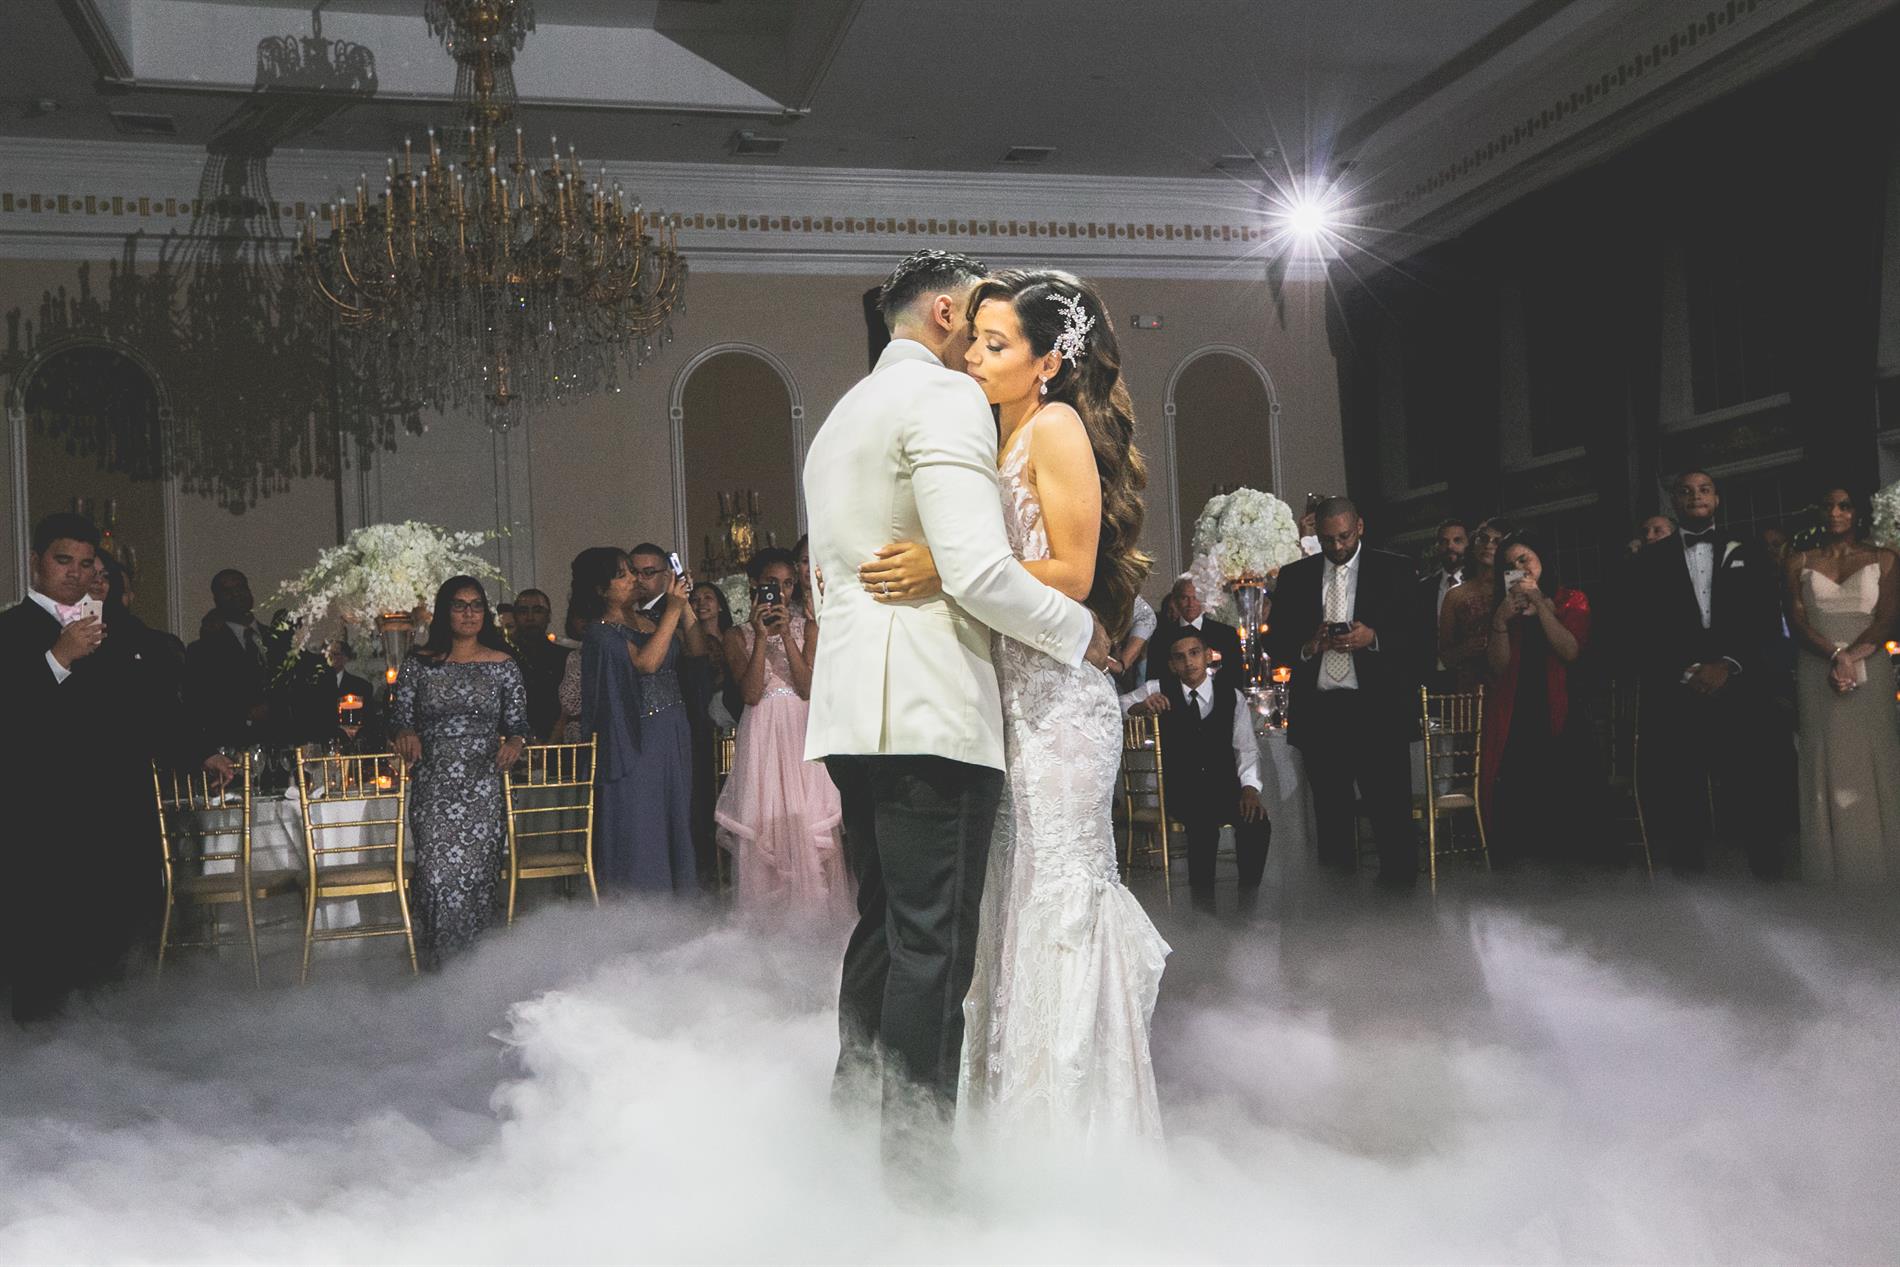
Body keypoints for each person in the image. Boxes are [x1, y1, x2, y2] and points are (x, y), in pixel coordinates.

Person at [803, 250, 1114, 1169]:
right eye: (973, 322)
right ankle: (915, 1175)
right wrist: (1080, 629)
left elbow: (831, 583)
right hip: (930, 709)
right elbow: (978, 570)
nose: (976, 346)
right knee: (933, 949)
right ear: (944, 313)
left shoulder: (841, 414)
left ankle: (849, 1140)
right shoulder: (941, 400)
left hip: (854, 713)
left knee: (882, 932)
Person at [861, 268, 1166, 1140]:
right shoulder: (997, 435)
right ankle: (1008, 1127)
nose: (975, 357)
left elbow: (1073, 572)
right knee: (1010, 907)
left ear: (1049, 362)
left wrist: (947, 569)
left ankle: (1074, 1130)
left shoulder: (1056, 427)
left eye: (996, 346)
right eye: (976, 341)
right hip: (1006, 703)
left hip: (1060, 709)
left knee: (1055, 902)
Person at [2, 513, 232, 1022]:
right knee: (48, 960)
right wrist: (58, 658)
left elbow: (150, 707)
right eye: (64, 560)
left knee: (118, 953)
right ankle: (45, 1060)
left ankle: (114, 1056)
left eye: (87, 564)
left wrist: (200, 752)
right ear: (36, 562)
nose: (77, 573)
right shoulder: (11, 629)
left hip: (120, 817)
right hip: (47, 827)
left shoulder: (114, 630)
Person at [1627, 469, 1787, 875]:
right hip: (1680, 688)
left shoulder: (1746, 549)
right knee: (1683, 785)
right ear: (1675, 502)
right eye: (1685, 491)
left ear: (1716, 499)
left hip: (1740, 685)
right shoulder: (1651, 559)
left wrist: (1728, 664)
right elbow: (1642, 627)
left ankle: (1768, 874)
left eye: (1703, 490)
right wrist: (1686, 670)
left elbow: (1765, 617)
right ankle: (1689, 881)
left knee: (1753, 781)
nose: (1695, 496)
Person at [1263, 496, 1420, 887]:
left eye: (1344, 537)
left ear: (1360, 527)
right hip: (1321, 712)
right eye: (1328, 539)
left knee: (1390, 811)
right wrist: (1308, 646)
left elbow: (1419, 636)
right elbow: (1274, 643)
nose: (1337, 546)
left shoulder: (1394, 569)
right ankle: (1337, 903)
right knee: (1331, 816)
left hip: (1378, 710)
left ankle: (1401, 899)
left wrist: (1374, 637)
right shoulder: (1296, 576)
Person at [390, 577, 527, 969]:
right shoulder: (419, 663)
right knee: (434, 875)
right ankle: (437, 969)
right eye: (459, 605)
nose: (469, 613)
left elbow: (519, 724)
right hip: (434, 784)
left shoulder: (503, 665)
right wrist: (406, 732)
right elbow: (399, 717)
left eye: (476, 605)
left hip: (483, 784)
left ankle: (477, 971)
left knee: (478, 877)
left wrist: (515, 743)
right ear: (444, 612)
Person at [714, 548, 849, 921]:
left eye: (789, 584)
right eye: (773, 584)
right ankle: (768, 920)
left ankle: (814, 917)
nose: (782, 592)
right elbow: (750, 694)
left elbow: (806, 688)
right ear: (755, 585)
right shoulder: (735, 635)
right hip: (762, 733)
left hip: (800, 729)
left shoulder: (808, 628)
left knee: (806, 817)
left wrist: (787, 636)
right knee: (765, 820)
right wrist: (761, 637)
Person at [1783, 487, 1900, 882]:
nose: (1835, 512)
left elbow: (1887, 618)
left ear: (1858, 512)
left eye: (1844, 505)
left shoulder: (1884, 558)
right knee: (1823, 757)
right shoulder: (1798, 560)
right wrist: (1835, 655)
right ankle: (1828, 870)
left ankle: (1882, 866)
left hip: (1870, 664)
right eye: (1828, 505)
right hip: (1817, 666)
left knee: (1875, 755)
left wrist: (1851, 656)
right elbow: (1797, 621)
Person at [572, 546, 704, 893]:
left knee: (675, 817)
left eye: (633, 571)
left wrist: (684, 606)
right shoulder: (601, 632)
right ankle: (642, 906)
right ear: (601, 590)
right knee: (643, 820)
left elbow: (697, 650)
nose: (634, 579)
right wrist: (672, 609)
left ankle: (679, 904)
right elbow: (646, 663)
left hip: (672, 730)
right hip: (635, 738)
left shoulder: (650, 619)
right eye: (622, 575)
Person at [1124, 627, 1270, 914]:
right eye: (1180, 657)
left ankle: (1247, 903)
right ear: (1171, 664)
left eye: (1194, 653)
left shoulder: (1232, 696)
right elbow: (1116, 705)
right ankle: (1203, 912)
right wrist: (1140, 706)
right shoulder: (1157, 687)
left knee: (1257, 822)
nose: (1188, 662)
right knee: (1202, 822)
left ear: (1208, 656)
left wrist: (1250, 787)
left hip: (1225, 789)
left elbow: (1246, 748)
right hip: (1184, 790)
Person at [1480, 532, 1602, 863]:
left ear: (1541, 560)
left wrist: (1541, 604)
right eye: (1510, 565)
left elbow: (1570, 650)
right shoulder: (1504, 607)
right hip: (1517, 708)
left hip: (1563, 706)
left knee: (1567, 795)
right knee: (1520, 794)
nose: (1520, 568)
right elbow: (1497, 667)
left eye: (1525, 559)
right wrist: (1500, 621)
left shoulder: (1571, 599)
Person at [184, 568, 288, 751]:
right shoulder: (203, 650)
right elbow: (200, 704)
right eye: (227, 591)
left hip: (282, 743)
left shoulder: (277, 639)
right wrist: (246, 714)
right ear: (217, 599)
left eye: (240, 587)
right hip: (234, 747)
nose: (236, 594)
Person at [1437, 517, 1514, 694]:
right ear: (1473, 545)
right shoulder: (1455, 595)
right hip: (1472, 688)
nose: (1488, 545)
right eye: (1483, 539)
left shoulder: (1514, 587)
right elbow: (1445, 656)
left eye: (1497, 541)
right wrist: (1465, 649)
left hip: (1512, 680)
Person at [1148, 573, 1244, 696]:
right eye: (1184, 598)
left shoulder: (1226, 634)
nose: (1190, 604)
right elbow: (1153, 681)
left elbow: (1236, 678)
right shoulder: (1161, 636)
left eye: (1196, 598)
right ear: (1175, 601)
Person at [509, 588, 571, 742]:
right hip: (512, 742)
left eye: (537, 611)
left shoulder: (565, 657)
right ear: (515, 616)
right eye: (523, 611)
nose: (530, 618)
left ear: (548, 616)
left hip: (558, 741)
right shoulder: (503, 658)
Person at [1414, 518, 1467, 688]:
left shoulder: (1478, 583)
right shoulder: (1423, 588)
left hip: (1471, 675)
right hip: (1433, 677)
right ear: (1437, 547)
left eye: (1457, 540)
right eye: (1444, 542)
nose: (1450, 546)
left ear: (1468, 544)